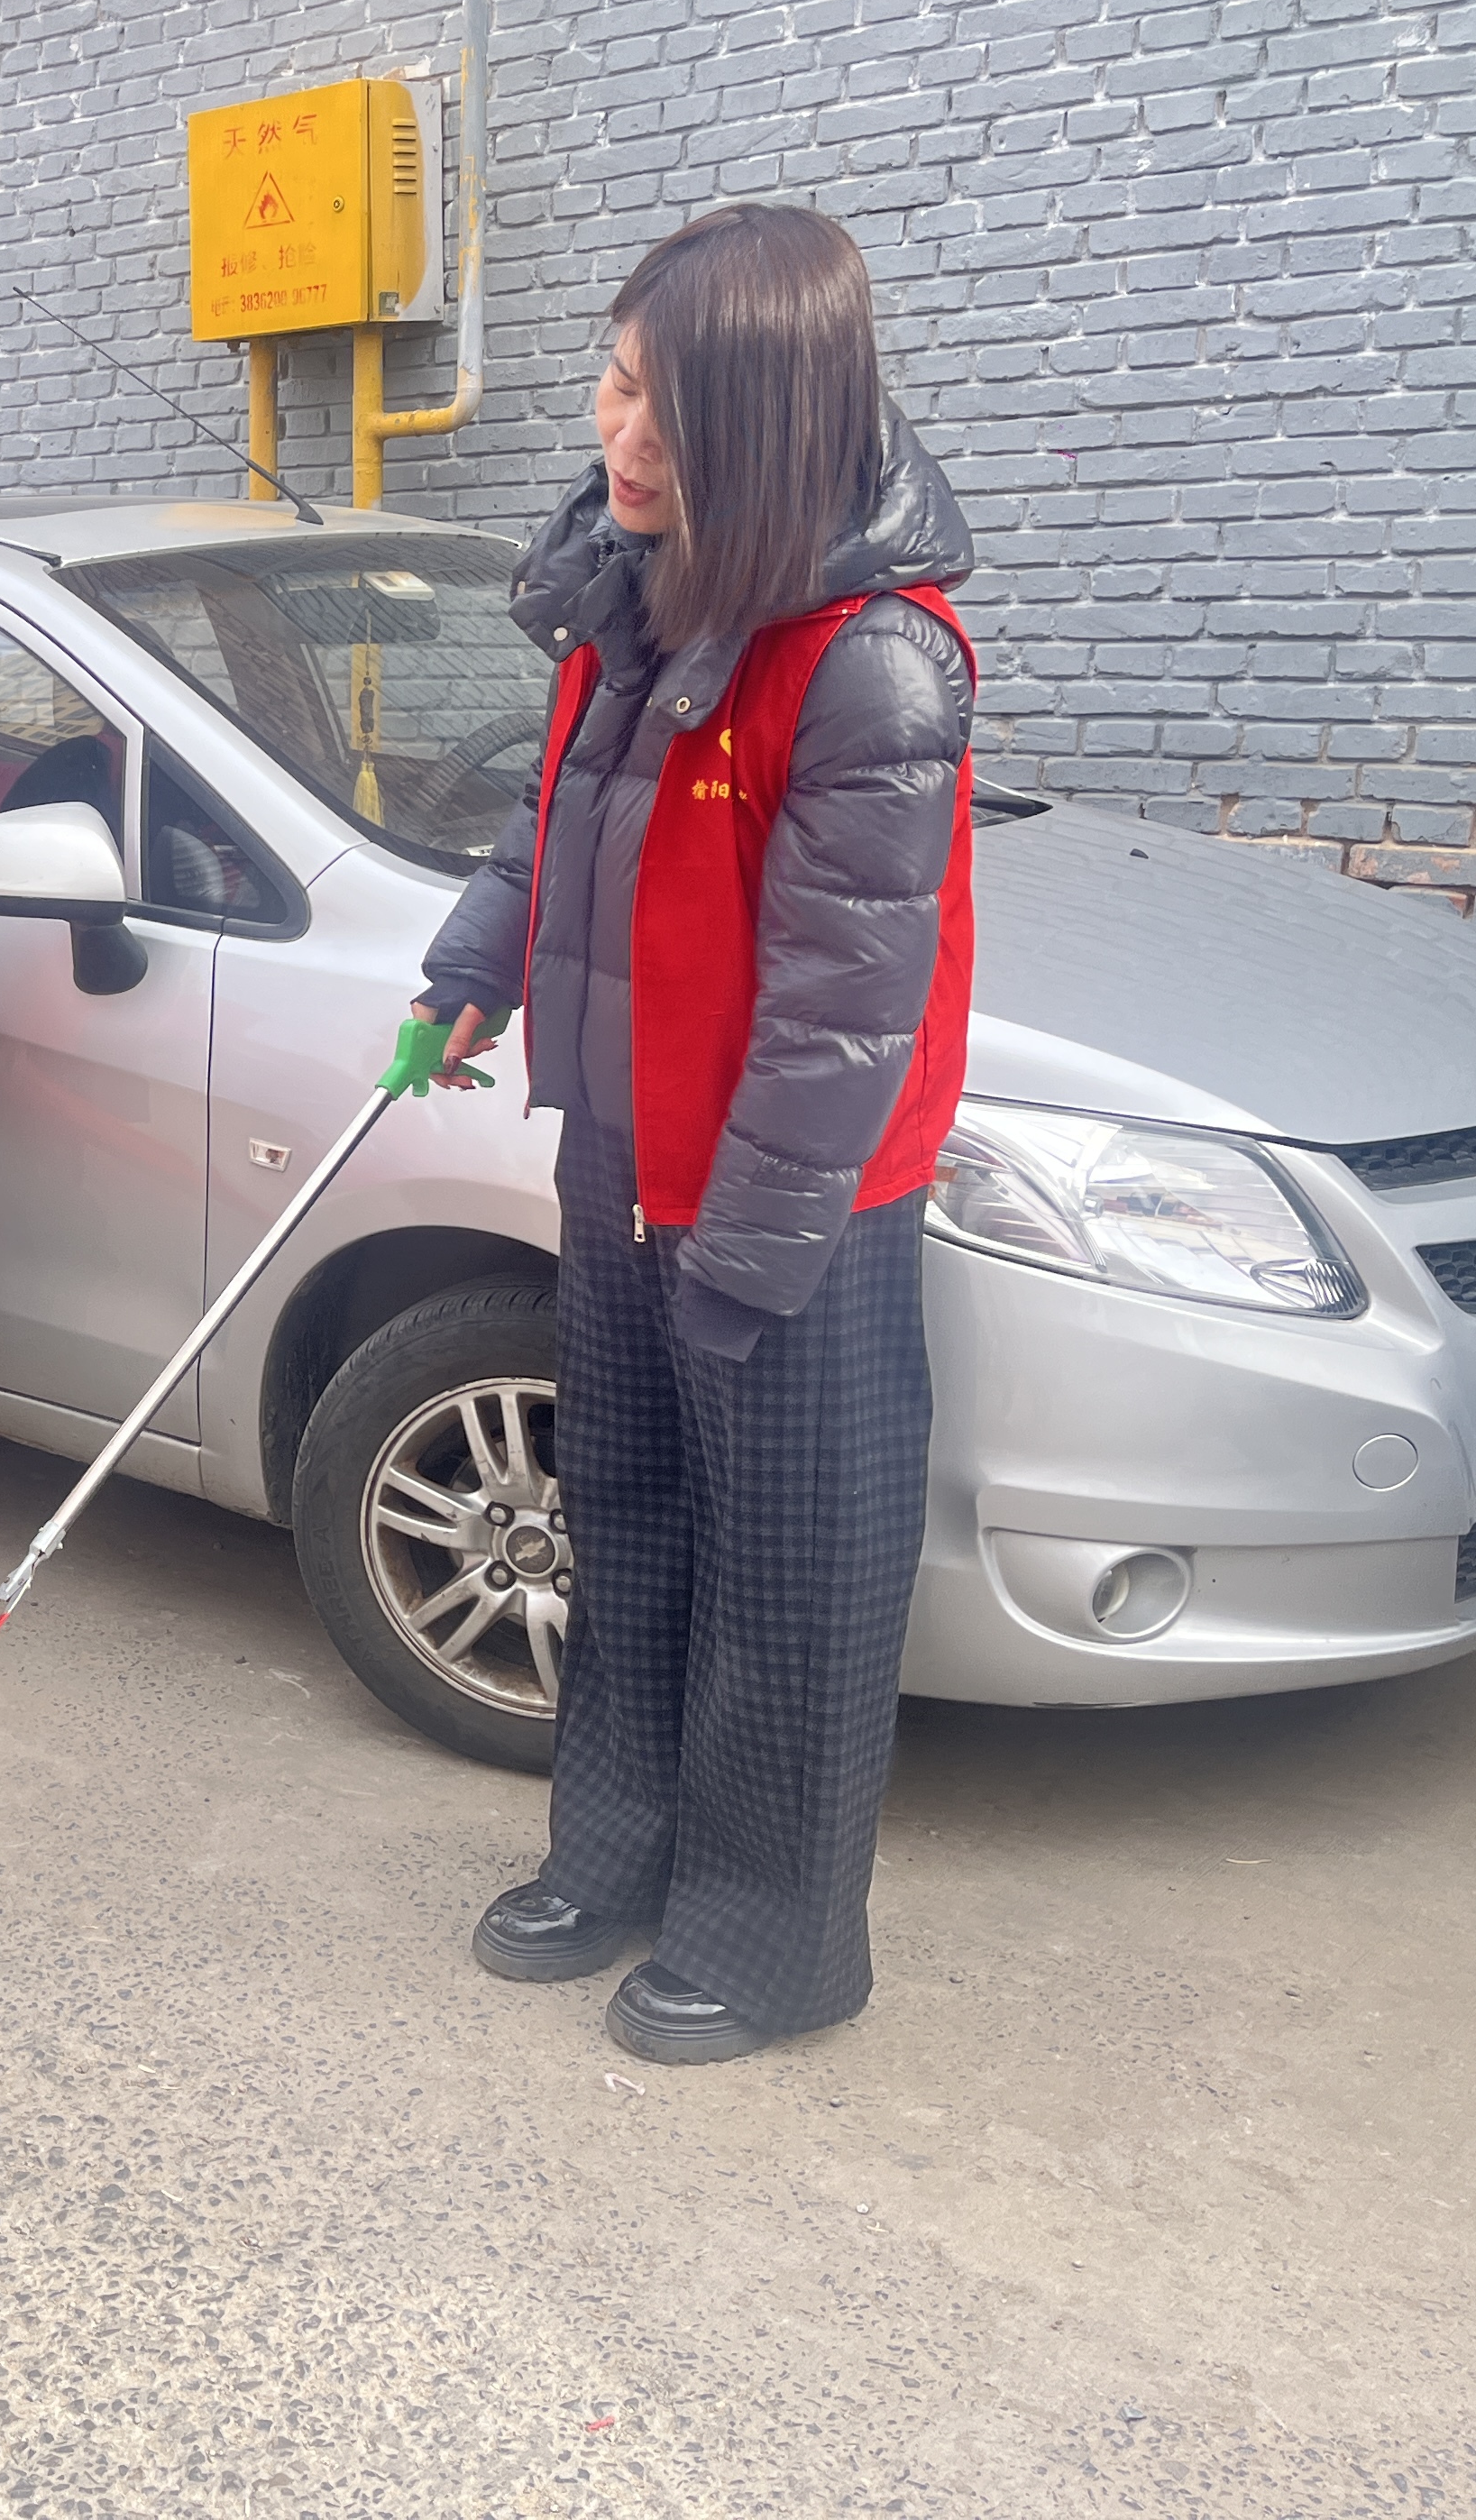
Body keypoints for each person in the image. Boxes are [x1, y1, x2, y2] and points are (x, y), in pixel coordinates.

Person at [408, 203, 979, 2066]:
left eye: (672, 408)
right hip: (626, 1155)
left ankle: (770, 1938)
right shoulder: (635, 598)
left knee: (791, 1572)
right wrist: (473, 965)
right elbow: (554, 820)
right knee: (632, 1519)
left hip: (789, 1195)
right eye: (616, 384)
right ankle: (618, 1851)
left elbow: (844, 1007)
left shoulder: (871, 662)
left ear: (779, 422)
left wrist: (751, 1243)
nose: (623, 436)